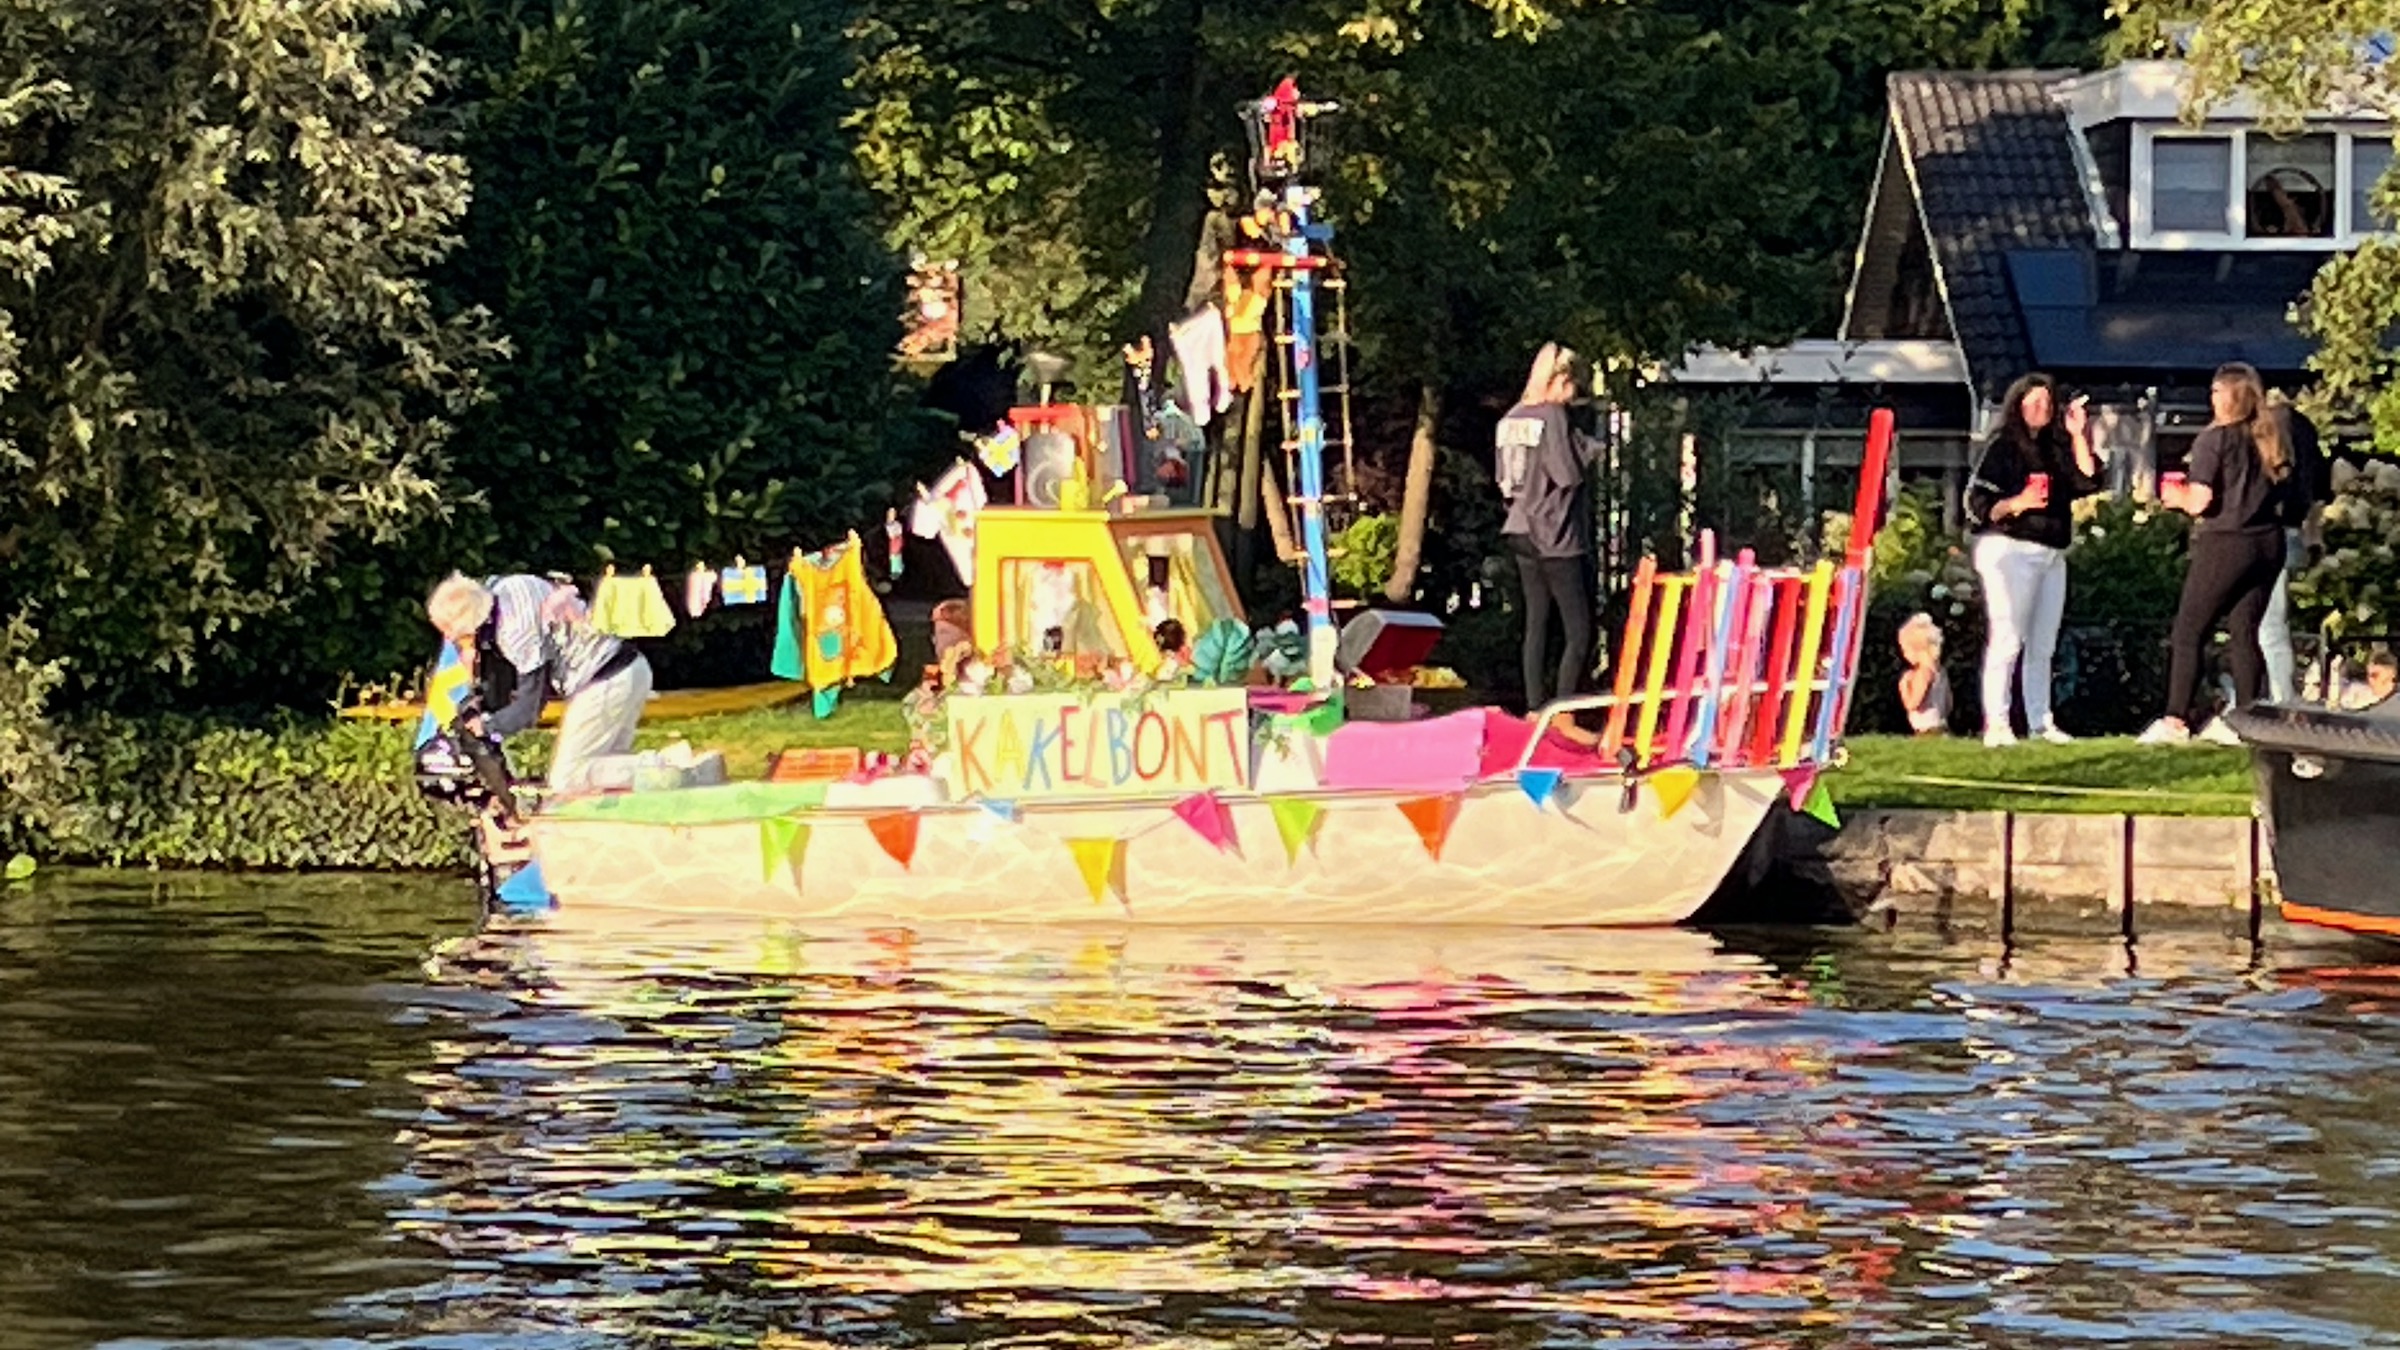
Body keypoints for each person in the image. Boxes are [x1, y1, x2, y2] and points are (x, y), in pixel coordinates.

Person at [2139, 363, 2296, 745]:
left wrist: (2173, 496)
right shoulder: (2271, 439)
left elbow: (2200, 500)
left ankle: (2175, 719)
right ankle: (2249, 718)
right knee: (2246, 632)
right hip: (2268, 542)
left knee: (2189, 631)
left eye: (2213, 391)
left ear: (2225, 396)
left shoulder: (2215, 440)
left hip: (2226, 541)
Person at [1963, 372, 2103, 747]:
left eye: (2047, 402)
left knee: (2043, 643)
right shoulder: (2003, 447)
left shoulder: (2055, 448)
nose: (2041, 409)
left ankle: (2041, 721)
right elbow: (1976, 504)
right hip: (2009, 548)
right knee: (2008, 637)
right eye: (2033, 401)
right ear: (2017, 404)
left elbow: (2089, 480)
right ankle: (1997, 722)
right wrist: (2017, 503)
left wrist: (2078, 435)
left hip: (2050, 552)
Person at [425, 572, 655, 794]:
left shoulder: (514, 631)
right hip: (627, 668)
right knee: (606, 773)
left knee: (567, 778)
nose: (453, 641)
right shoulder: (506, 587)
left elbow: (528, 710)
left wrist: (486, 727)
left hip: (604, 680)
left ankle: (667, 767)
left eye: (457, 635)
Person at [1496, 342, 1602, 710]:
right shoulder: (1553, 416)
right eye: (1573, 387)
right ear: (1561, 380)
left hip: (1519, 528)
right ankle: (1563, 713)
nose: (1573, 396)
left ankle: (1533, 709)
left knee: (1536, 623)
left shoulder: (1511, 417)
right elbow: (1566, 475)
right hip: (1555, 533)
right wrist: (1587, 452)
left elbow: (1505, 478)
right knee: (1579, 630)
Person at [2256, 393, 2331, 705]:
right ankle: (2280, 695)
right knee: (2272, 624)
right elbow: (2321, 494)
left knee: (2267, 625)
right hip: (2294, 533)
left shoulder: (2270, 443)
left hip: (2266, 535)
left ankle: (2279, 698)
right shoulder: (2306, 440)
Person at [1897, 612, 1952, 736]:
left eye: (1905, 650)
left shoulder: (1922, 673)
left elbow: (1912, 704)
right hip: (1941, 726)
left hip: (1925, 730)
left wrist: (1904, 685)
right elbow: (1949, 704)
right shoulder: (1941, 672)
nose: (1905, 655)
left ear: (1918, 649)